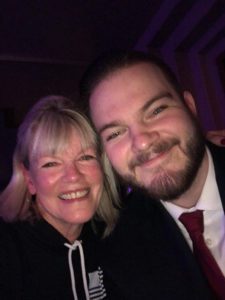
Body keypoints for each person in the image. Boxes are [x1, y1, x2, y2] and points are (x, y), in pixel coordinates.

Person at [79, 50, 225, 299]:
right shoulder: (116, 247)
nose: (143, 142)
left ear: (189, 106)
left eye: (156, 111)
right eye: (115, 133)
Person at [0, 95, 119, 300]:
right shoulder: (7, 253)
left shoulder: (118, 239)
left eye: (85, 157)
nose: (73, 175)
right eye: (51, 163)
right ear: (29, 179)